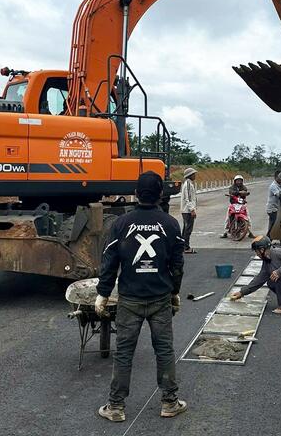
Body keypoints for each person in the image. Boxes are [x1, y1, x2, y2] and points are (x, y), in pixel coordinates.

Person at [95, 171, 187, 422]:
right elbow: (177, 265)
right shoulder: (170, 224)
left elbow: (109, 262)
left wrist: (103, 294)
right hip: (160, 298)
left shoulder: (121, 224)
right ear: (160, 194)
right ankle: (170, 403)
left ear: (136, 194)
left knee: (124, 353)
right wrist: (175, 292)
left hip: (130, 299)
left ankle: (116, 407)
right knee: (164, 350)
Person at [230, 236, 281, 314]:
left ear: (262, 249)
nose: (257, 254)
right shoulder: (267, 260)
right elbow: (260, 278)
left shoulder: (279, 252)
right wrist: (242, 292)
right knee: (271, 281)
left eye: (256, 251)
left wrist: (280, 271)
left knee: (277, 276)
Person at [222, 174, 251, 238]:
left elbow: (245, 192)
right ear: (235, 181)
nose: (239, 182)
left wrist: (243, 193)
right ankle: (225, 232)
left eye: (240, 181)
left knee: (248, 217)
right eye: (237, 181)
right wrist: (239, 192)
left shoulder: (244, 187)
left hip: (242, 204)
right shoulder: (232, 187)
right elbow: (231, 192)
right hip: (233, 204)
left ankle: (250, 232)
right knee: (227, 218)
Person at [180, 167, 198, 254]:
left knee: (185, 229)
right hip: (187, 211)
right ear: (189, 175)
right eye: (193, 174)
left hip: (187, 210)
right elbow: (188, 199)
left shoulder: (189, 183)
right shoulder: (188, 184)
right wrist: (192, 210)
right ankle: (186, 247)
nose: (195, 175)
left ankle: (182, 246)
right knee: (188, 230)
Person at [266, 169, 281, 236]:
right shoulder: (273, 186)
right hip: (272, 209)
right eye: (280, 177)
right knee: (274, 225)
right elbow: (279, 195)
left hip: (277, 208)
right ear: (276, 177)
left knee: (277, 225)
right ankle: (268, 238)